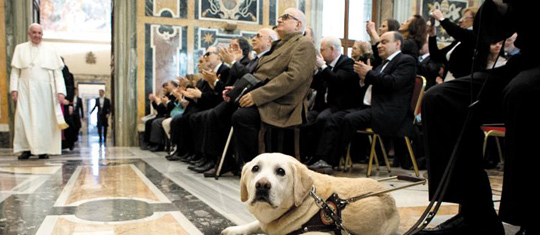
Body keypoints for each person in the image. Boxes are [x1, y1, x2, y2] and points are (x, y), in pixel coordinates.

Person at [418, 0, 540, 234]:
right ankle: (476, 214)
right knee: (439, 99)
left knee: (521, 94)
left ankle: (527, 214)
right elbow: (497, 31)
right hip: (525, 62)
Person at [231, 8, 316, 164]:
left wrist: (256, 96)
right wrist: (241, 89)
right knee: (225, 108)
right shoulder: (280, 44)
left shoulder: (304, 45)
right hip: (270, 98)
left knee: (241, 116)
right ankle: (225, 162)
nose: (279, 20)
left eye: (285, 17)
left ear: (298, 25)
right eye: (279, 17)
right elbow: (261, 75)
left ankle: (254, 165)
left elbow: (292, 78)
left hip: (285, 103)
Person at [302, 36, 361, 172]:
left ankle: (323, 158)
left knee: (324, 119)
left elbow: (337, 81)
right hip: (325, 106)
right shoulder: (327, 66)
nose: (320, 53)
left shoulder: (347, 63)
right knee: (307, 117)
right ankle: (308, 155)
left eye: (322, 49)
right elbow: (315, 84)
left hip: (342, 106)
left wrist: (322, 66)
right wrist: (317, 70)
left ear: (332, 49)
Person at [10, 23, 67, 160]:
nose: (37, 35)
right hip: (25, 89)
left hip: (45, 91)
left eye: (39, 33)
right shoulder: (20, 48)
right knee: (24, 118)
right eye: (34, 32)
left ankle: (43, 149)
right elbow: (15, 71)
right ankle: (26, 149)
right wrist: (14, 89)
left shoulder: (51, 50)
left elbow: (58, 73)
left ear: (42, 35)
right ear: (29, 34)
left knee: (43, 120)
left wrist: (61, 92)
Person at [428, 8, 489, 82]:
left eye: (466, 17)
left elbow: (457, 31)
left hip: (463, 83)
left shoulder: (476, 38)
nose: (461, 20)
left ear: (476, 20)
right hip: (448, 81)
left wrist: (442, 19)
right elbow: (436, 56)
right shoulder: (459, 41)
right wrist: (432, 35)